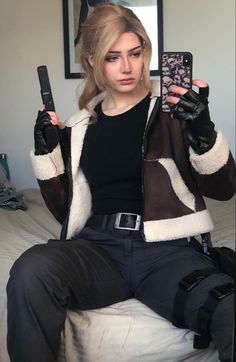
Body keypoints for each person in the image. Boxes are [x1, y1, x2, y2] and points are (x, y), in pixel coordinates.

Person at [7, 3, 235, 362]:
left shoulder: (172, 112)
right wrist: (46, 153)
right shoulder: (80, 126)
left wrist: (203, 131)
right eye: (113, 57)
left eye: (135, 53)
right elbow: (64, 211)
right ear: (93, 60)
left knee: (228, 308)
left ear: (145, 53)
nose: (127, 67)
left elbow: (224, 189)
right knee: (30, 269)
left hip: (165, 253)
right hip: (97, 250)